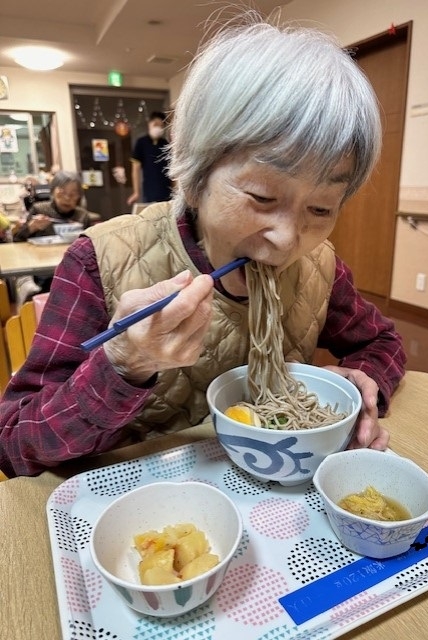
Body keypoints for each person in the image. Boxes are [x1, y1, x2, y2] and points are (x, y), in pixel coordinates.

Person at [0, 13, 406, 478]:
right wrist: (124, 366)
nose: (287, 239)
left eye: (321, 208)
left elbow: (382, 341)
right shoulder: (102, 260)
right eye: (262, 197)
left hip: (275, 491)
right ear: (194, 173)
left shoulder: (318, 265)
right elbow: (13, 443)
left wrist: (362, 382)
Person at [12, 171, 95, 301]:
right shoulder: (39, 209)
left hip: (74, 268)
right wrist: (31, 227)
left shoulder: (82, 215)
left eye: (73, 194)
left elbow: (91, 246)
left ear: (79, 197)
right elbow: (17, 240)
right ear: (53, 191)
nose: (67, 198)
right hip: (44, 270)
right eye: (62, 192)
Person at [127, 111, 173, 206]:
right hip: (150, 190)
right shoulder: (141, 143)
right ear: (149, 124)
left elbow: (172, 169)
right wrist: (136, 192)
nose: (158, 128)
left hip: (167, 190)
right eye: (155, 124)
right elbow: (135, 169)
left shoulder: (166, 144)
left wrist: (175, 190)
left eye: (161, 126)